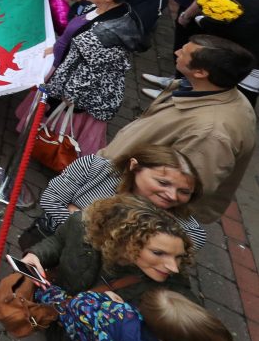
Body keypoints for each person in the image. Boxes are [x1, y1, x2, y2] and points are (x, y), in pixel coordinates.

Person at [103, 35, 257, 223]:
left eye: (183, 53)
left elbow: (176, 192)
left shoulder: (210, 134)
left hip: (126, 208)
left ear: (201, 72)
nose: (176, 52)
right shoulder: (209, 89)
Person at [22, 194, 193, 322]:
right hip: (54, 319)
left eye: (178, 257)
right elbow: (59, 241)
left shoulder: (173, 290)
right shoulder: (80, 226)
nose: (174, 267)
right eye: (158, 253)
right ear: (124, 240)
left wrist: (123, 315)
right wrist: (36, 255)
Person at [24, 0, 142, 155]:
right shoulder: (103, 7)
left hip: (74, 84)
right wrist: (57, 47)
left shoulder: (108, 33)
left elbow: (94, 71)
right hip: (64, 65)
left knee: (60, 117)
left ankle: (48, 148)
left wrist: (70, 94)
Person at [38, 145, 205, 247]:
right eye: (163, 183)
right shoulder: (92, 166)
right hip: (45, 240)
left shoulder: (189, 232)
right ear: (134, 166)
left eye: (184, 192)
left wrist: (77, 216)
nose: (172, 196)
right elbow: (51, 200)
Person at [38, 279, 231, 341]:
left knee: (58, 301)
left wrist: (108, 300)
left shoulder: (123, 317)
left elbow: (80, 305)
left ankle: (39, 290)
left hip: (82, 331)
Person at [187, 0, 259, 103]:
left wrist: (204, 20)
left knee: (234, 98)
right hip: (238, 58)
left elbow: (239, 32)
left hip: (242, 63)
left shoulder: (249, 2)